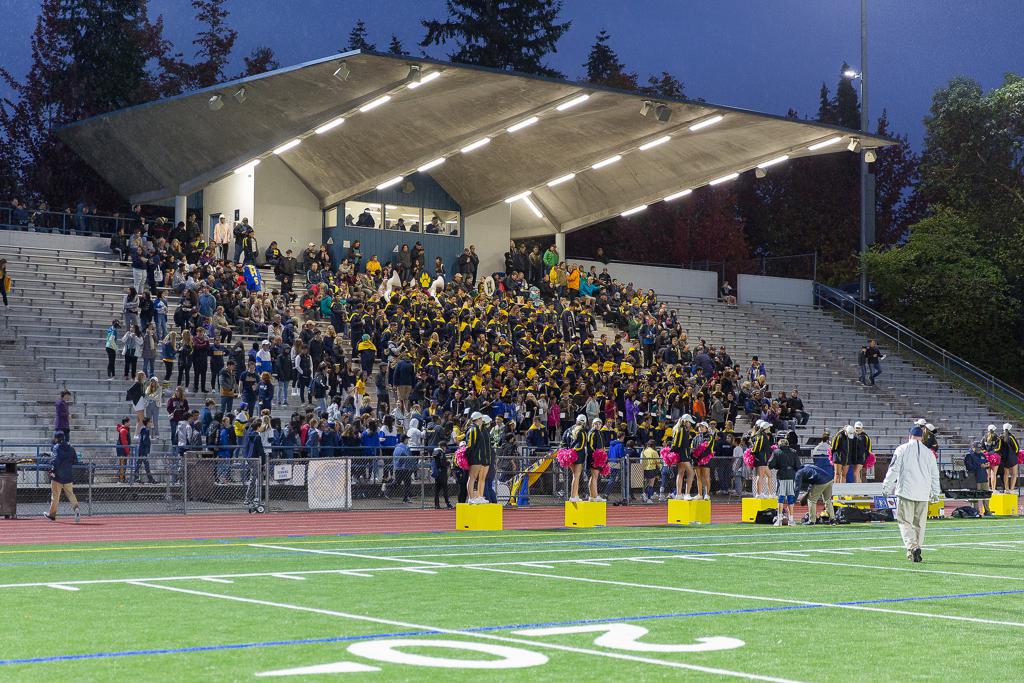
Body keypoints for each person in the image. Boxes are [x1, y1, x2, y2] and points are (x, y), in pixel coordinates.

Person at [882, 425, 941, 562]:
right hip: (923, 493)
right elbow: (934, 474)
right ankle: (915, 550)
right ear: (922, 437)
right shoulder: (929, 453)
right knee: (920, 524)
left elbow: (893, 469)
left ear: (909, 436)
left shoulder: (902, 449)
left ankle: (912, 547)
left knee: (904, 521)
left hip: (906, 492)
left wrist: (886, 486)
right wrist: (935, 492)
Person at [44, 431, 80, 523]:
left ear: (57, 438)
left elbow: (55, 460)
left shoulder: (56, 447)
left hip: (58, 476)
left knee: (55, 496)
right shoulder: (71, 448)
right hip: (68, 475)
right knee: (70, 494)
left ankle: (52, 515)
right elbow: (75, 461)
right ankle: (76, 508)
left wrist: (52, 469)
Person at [769, 433, 801, 526]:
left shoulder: (777, 452)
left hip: (782, 476)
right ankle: (791, 520)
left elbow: (770, 464)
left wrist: (777, 466)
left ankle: (779, 519)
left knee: (781, 498)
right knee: (790, 498)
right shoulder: (793, 452)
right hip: (791, 476)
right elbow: (798, 466)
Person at [464, 411, 490, 504]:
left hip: (477, 457)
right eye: (481, 419)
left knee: (473, 478)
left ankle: (474, 497)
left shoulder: (476, 429)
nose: (482, 421)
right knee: (472, 478)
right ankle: (471, 498)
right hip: (475, 457)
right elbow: (470, 444)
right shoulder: (474, 429)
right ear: (478, 419)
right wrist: (471, 456)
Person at [962, 441, 991, 516]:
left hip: (984, 477)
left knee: (986, 495)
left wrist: (987, 465)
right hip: (974, 479)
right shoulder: (969, 455)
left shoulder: (982, 454)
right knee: (975, 496)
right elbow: (969, 467)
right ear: (973, 447)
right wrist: (980, 466)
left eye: (979, 448)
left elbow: (986, 462)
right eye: (977, 448)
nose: (978, 449)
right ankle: (975, 511)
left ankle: (987, 511)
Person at [132, 416, 156, 484]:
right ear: (147, 423)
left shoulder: (143, 430)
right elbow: (144, 440)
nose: (151, 423)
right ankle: (150, 479)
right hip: (143, 451)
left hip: (141, 450)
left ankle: (137, 478)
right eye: (150, 422)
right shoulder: (146, 430)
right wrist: (148, 444)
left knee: (140, 465)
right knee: (145, 465)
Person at [996, 423, 1019, 493]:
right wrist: (1014, 455)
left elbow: (998, 448)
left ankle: (1006, 489)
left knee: (1006, 474)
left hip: (1004, 458)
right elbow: (1017, 448)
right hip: (1012, 458)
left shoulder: (1000, 437)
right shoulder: (1011, 437)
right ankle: (1011, 489)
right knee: (1014, 474)